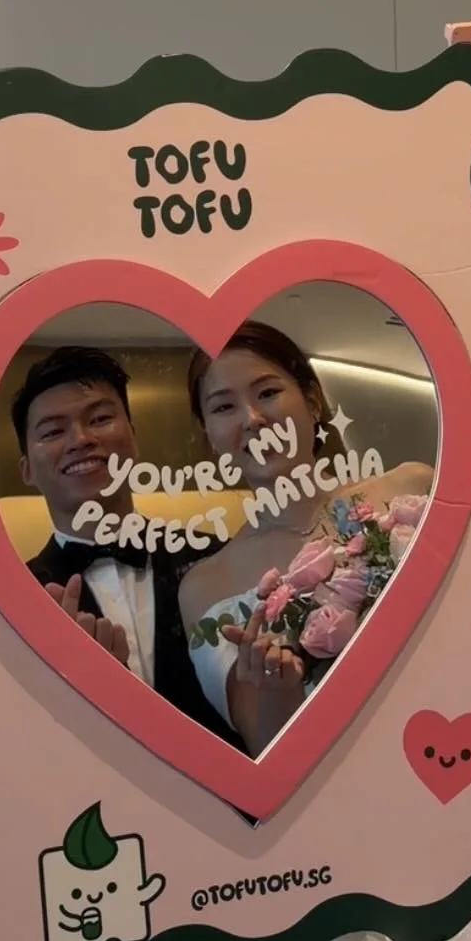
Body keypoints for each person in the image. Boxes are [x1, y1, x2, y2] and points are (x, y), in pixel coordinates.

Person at [177, 321, 434, 757]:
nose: (253, 419)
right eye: (224, 407)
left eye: (267, 393)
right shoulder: (205, 587)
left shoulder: (409, 487)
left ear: (313, 402)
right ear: (210, 437)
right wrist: (276, 691)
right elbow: (264, 748)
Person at [13, 344, 235, 739]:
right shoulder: (14, 600)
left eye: (99, 418)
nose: (80, 439)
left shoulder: (219, 557)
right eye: (52, 431)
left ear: (133, 437)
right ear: (27, 468)